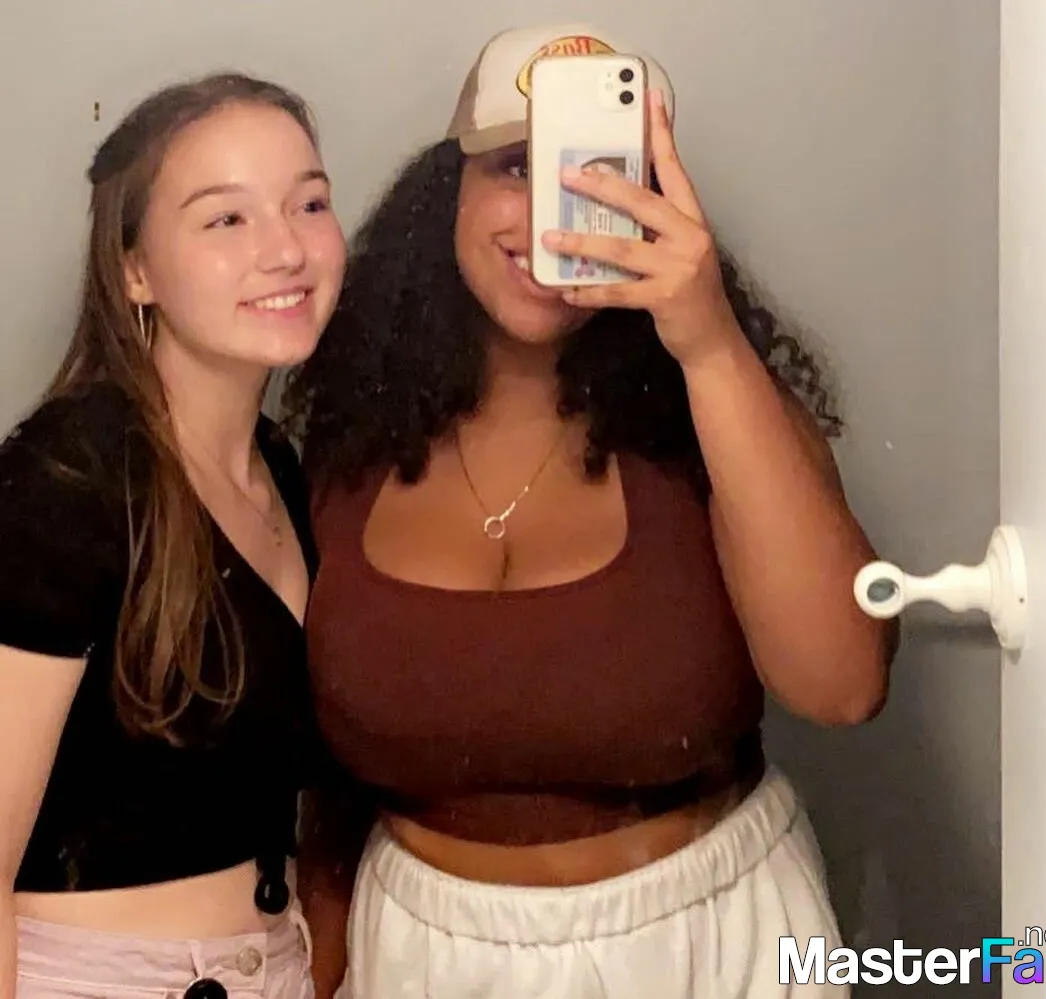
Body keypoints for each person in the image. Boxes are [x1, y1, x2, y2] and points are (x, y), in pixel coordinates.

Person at [286, 23, 899, 999]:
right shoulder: (347, 437)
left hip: (707, 945)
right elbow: (320, 795)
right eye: (513, 168)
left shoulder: (719, 414)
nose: (551, 210)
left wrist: (706, 340)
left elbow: (843, 685)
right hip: (418, 955)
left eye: (599, 173)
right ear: (449, 193)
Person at [0, 71, 345, 999]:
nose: (285, 249)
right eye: (226, 219)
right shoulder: (67, 478)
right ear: (135, 271)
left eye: (309, 204)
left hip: (274, 966)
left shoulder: (284, 468)